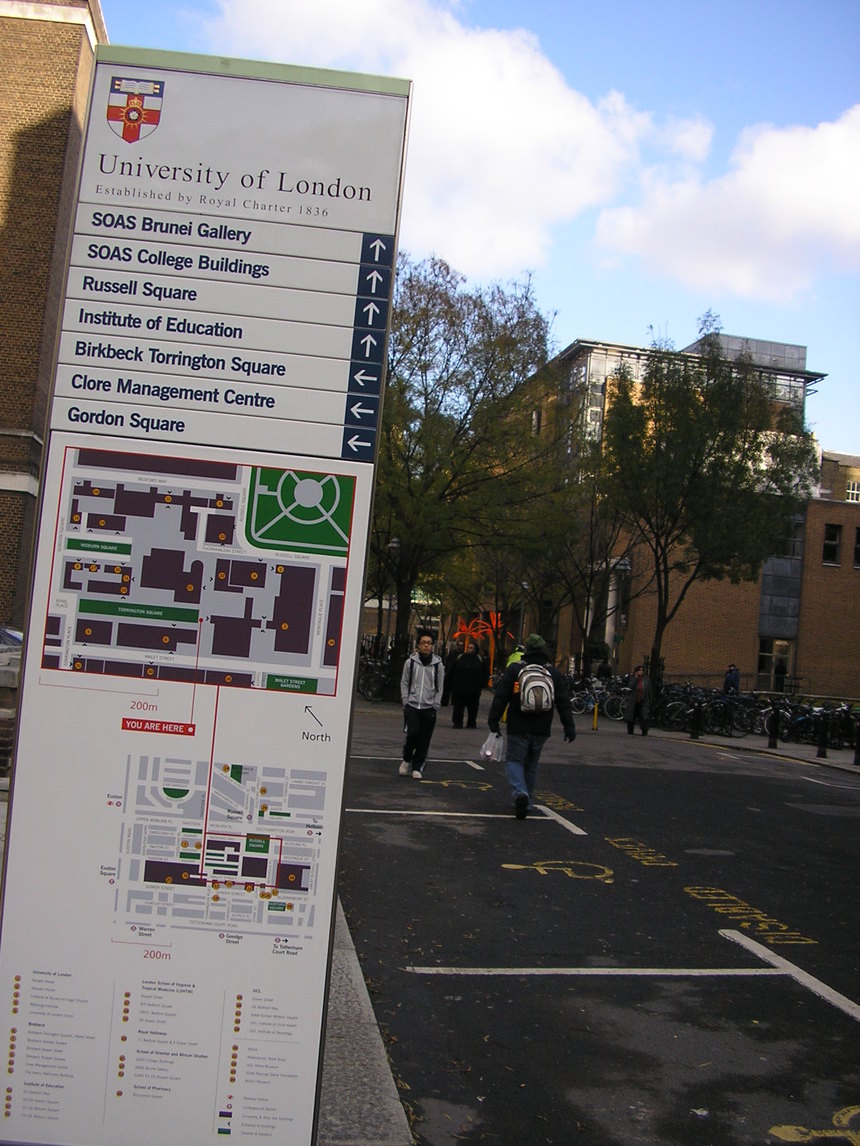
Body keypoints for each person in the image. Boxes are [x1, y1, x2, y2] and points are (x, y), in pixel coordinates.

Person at [487, 633, 576, 819]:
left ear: (526, 649)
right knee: (532, 764)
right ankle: (527, 802)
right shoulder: (552, 672)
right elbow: (563, 701)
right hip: (542, 726)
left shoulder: (515, 669)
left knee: (513, 760)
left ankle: (520, 793)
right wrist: (569, 726)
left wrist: (493, 720)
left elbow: (501, 696)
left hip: (518, 723)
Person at [399, 632, 444, 778]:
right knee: (412, 733)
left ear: (432, 646)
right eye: (423, 642)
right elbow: (405, 681)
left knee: (424, 738)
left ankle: (417, 766)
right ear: (418, 644)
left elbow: (440, 686)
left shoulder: (438, 665)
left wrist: (436, 703)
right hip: (412, 705)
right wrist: (405, 700)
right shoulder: (410, 663)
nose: (426, 645)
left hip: (429, 707)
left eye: (429, 643)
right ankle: (406, 758)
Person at [449, 640, 485, 729]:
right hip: (460, 688)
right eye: (468, 647)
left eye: (471, 648)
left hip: (473, 690)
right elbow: (453, 670)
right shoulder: (461, 657)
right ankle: (457, 723)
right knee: (458, 708)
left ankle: (471, 723)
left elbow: (483, 673)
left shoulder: (479, 659)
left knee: (473, 708)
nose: (469, 649)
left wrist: (480, 684)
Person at [624, 664, 652, 735]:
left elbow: (649, 690)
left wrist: (649, 699)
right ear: (636, 671)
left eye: (642, 670)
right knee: (632, 716)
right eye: (639, 670)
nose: (641, 672)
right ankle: (630, 731)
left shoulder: (646, 679)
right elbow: (631, 686)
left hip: (643, 699)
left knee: (644, 716)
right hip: (634, 700)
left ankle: (644, 731)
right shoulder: (633, 678)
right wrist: (636, 678)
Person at [441, 639, 464, 707]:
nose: (460, 647)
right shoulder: (452, 652)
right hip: (450, 673)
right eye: (459, 645)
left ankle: (454, 701)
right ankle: (445, 701)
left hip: (458, 674)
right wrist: (447, 670)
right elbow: (448, 661)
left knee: (455, 689)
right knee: (447, 689)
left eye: (461, 645)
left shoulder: (463, 655)